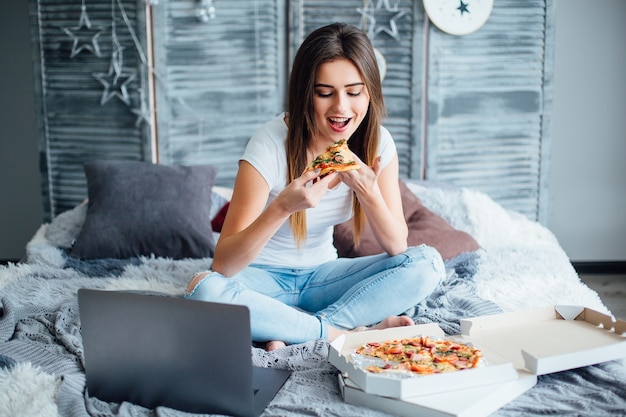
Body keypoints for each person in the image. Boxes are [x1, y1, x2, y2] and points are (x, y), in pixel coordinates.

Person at [185, 22, 444, 351]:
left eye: (354, 92)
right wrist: (283, 207)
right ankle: (345, 335)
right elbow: (224, 265)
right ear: (305, 93)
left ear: (370, 92)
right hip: (260, 279)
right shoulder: (269, 144)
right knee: (203, 289)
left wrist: (368, 191)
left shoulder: (378, 143)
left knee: (427, 264)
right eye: (325, 93)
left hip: (324, 277)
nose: (341, 108)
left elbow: (397, 245)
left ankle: (295, 328)